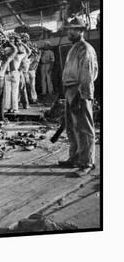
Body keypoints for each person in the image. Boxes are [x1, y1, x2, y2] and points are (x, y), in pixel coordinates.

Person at [58, 17, 98, 177]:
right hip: (70, 90)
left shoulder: (85, 49)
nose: (69, 32)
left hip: (80, 91)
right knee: (71, 126)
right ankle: (74, 158)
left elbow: (87, 74)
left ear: (81, 31)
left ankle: (87, 162)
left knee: (84, 127)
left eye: (73, 29)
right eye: (69, 29)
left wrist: (85, 95)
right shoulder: (74, 48)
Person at [0, 43, 17, 122]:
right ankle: (0, 117)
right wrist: (9, 42)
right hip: (0, 80)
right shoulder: (5, 59)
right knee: (0, 100)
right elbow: (15, 50)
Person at [4, 41, 30, 113]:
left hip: (7, 73)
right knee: (15, 91)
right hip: (15, 73)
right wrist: (22, 43)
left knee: (7, 91)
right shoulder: (18, 56)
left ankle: (7, 107)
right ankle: (15, 108)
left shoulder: (6, 55)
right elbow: (28, 52)